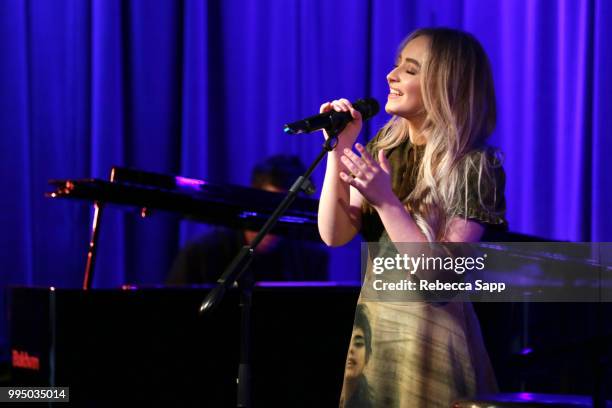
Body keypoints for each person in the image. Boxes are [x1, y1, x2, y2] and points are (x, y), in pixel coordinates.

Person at [318, 28, 506, 407]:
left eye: (410, 69)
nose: (391, 76)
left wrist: (387, 202)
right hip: (376, 338)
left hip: (433, 342)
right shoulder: (384, 150)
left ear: (445, 85)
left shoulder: (472, 164)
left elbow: (441, 277)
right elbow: (334, 234)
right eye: (395, 66)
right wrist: (337, 151)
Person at [167, 154, 329, 284]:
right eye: (271, 205)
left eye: (287, 209)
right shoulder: (201, 254)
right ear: (253, 199)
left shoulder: (309, 260)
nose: (277, 218)